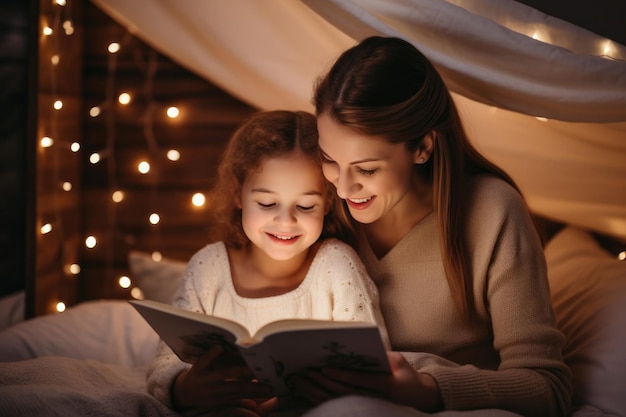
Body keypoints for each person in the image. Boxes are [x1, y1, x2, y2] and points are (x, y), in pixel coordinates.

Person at [289, 36, 572, 417]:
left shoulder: (492, 211)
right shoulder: (317, 207)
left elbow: (547, 388)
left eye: (368, 169)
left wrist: (428, 390)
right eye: (329, 160)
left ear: (423, 147)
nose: (342, 186)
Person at [146, 110, 390, 417]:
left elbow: (374, 362)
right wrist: (185, 388)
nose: (286, 221)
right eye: (267, 203)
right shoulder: (208, 268)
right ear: (238, 194)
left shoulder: (337, 265)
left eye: (305, 205)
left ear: (327, 201)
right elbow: (163, 367)